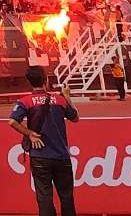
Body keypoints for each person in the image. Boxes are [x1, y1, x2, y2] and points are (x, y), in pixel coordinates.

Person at [9, 65, 79, 216]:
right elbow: (75, 117)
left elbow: (12, 121)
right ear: (46, 80)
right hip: (61, 156)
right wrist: (67, 96)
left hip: (39, 156)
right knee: (66, 197)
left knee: (44, 197)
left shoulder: (25, 101)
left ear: (29, 81)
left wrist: (29, 133)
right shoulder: (59, 100)